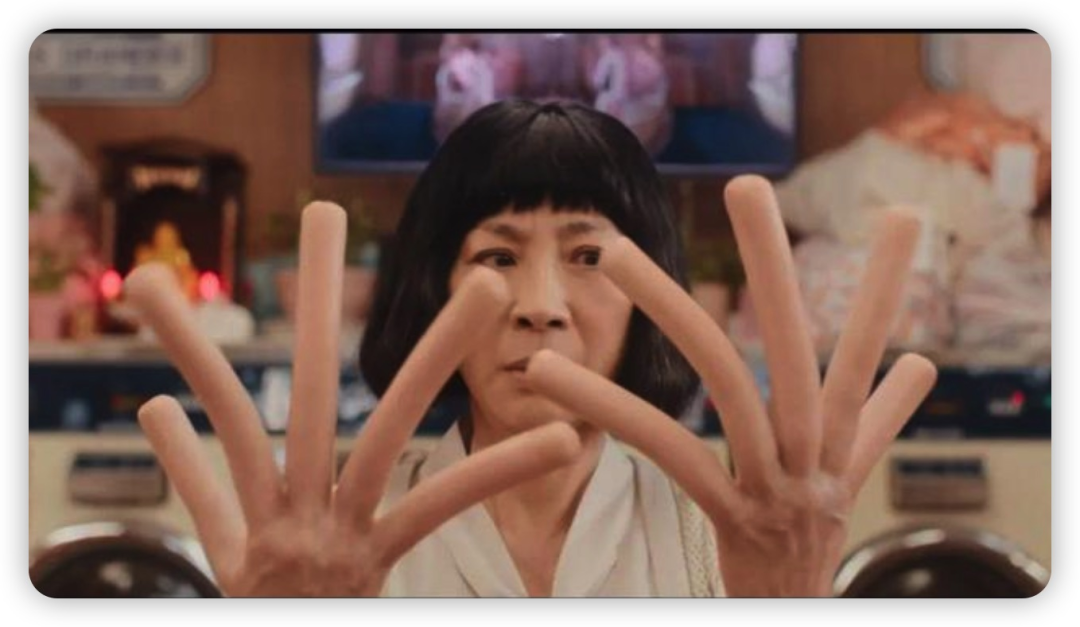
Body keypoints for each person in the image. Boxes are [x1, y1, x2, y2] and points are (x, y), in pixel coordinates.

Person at [126, 99, 937, 597]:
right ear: (434, 289)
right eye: (497, 256)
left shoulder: (728, 539)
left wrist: (790, 599)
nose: (541, 307)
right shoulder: (327, 545)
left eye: (588, 255)